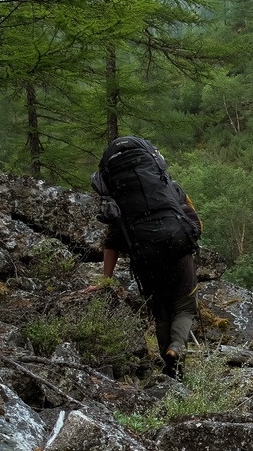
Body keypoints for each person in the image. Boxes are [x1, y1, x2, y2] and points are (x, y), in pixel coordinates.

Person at [82, 137, 201, 379]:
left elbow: (111, 241)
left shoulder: (119, 201)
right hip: (177, 247)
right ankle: (175, 350)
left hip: (144, 254)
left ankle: (167, 368)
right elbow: (195, 222)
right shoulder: (171, 188)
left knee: (160, 309)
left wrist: (106, 279)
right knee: (186, 306)